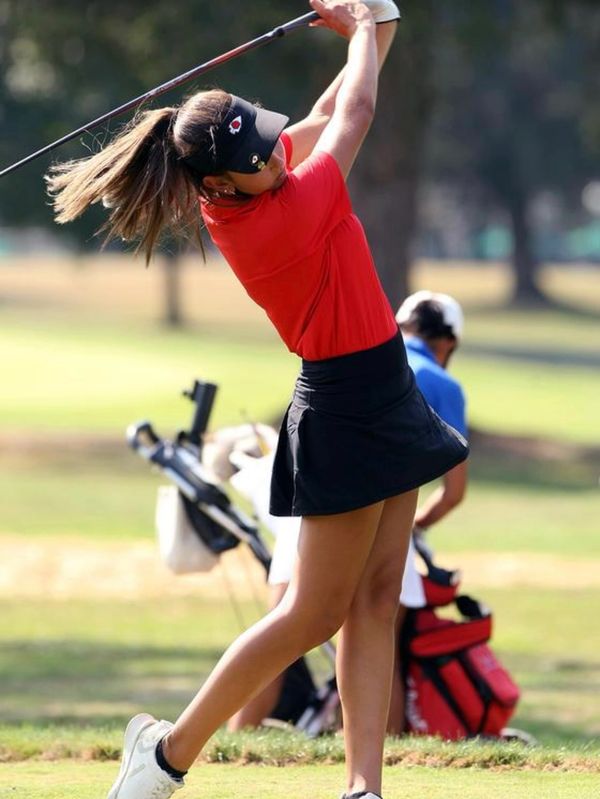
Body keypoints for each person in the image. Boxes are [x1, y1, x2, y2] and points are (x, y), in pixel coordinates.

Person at [46, 3, 468, 798]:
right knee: (312, 612)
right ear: (217, 184)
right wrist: (367, 29)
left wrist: (378, 20)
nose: (275, 152)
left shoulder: (261, 177)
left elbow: (325, 108)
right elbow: (358, 108)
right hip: (344, 406)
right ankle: (167, 752)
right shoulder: (281, 215)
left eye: (266, 140)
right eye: (257, 155)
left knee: (380, 598)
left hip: (387, 387)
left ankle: (363, 786)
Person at [387, 290, 469, 733]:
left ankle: (238, 742)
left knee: (287, 630)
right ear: (448, 341)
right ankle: (384, 754)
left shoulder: (365, 359)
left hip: (308, 510)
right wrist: (416, 525)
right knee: (379, 641)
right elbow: (453, 491)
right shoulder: (441, 382)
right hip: (380, 519)